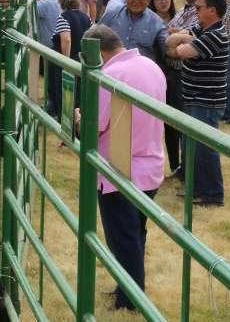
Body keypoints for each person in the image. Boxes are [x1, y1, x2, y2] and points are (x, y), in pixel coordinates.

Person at [83, 25, 166, 312]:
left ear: (97, 51)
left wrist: (80, 117)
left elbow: (96, 123)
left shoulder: (110, 76)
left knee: (122, 237)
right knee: (136, 233)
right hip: (151, 163)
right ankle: (128, 286)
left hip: (118, 169)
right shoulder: (151, 66)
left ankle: (130, 298)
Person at [166, 0, 229, 206]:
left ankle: (212, 194)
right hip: (193, 96)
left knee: (205, 149)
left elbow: (179, 52)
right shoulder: (202, 29)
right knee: (192, 146)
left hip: (206, 100)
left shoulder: (216, 35)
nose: (195, 10)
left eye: (199, 7)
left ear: (212, 10)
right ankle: (197, 188)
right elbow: (170, 42)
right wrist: (186, 39)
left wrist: (183, 42)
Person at [163, 0, 212, 177]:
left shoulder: (204, 14)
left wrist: (176, 35)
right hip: (174, 74)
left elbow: (183, 38)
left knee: (188, 127)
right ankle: (180, 167)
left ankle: (191, 171)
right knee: (173, 123)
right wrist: (175, 35)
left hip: (190, 76)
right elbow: (169, 32)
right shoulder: (185, 9)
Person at [99, 0, 168, 62]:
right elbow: (96, 37)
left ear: (148, 0)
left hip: (140, 71)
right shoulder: (112, 14)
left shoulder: (157, 23)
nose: (136, 1)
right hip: (111, 69)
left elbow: (166, 49)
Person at [53, 0, 92, 108]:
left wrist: (66, 62)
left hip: (70, 60)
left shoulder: (63, 18)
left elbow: (66, 39)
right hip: (83, 59)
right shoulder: (86, 17)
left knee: (67, 93)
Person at [35, 0, 62, 116]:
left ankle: (54, 109)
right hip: (61, 44)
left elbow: (29, 9)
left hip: (50, 46)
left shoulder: (44, 4)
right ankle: (55, 108)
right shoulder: (59, 0)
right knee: (56, 79)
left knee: (52, 81)